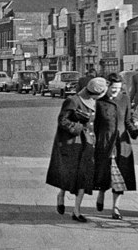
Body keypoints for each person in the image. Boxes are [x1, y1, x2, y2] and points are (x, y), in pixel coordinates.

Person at [46, 77, 108, 223]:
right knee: (69, 176)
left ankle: (76, 211)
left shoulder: (99, 102)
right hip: (74, 143)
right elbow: (62, 120)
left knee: (84, 177)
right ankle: (61, 195)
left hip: (89, 144)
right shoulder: (73, 101)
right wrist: (79, 126)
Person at [93, 73, 138, 220]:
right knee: (105, 173)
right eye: (113, 88)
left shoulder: (125, 99)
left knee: (119, 177)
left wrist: (134, 132)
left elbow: (128, 120)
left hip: (121, 142)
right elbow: (96, 125)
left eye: (118, 88)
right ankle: (101, 193)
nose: (115, 91)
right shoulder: (99, 101)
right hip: (105, 142)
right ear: (107, 87)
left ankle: (116, 208)